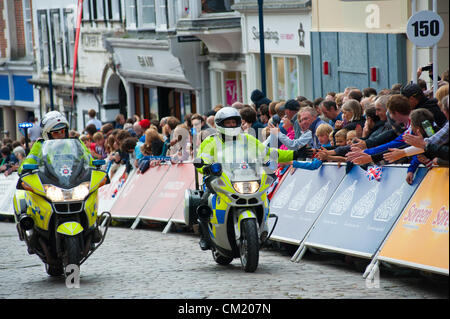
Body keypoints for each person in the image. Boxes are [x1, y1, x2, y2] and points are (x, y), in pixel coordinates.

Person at [195, 107, 304, 251]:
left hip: (244, 178)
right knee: (204, 202)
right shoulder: (211, 141)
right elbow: (203, 158)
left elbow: (267, 153)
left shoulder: (247, 139)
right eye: (228, 123)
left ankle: (261, 227)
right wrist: (205, 166)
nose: (231, 125)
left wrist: (294, 154)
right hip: (219, 179)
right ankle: (205, 236)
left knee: (263, 196)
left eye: (234, 122)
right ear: (220, 124)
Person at [18, 111, 95, 174]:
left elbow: (89, 160)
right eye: (55, 133)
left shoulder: (77, 143)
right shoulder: (40, 145)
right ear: (46, 134)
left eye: (62, 131)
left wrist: (95, 166)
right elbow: (28, 162)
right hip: (48, 183)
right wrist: (24, 169)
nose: (60, 135)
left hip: (74, 181)